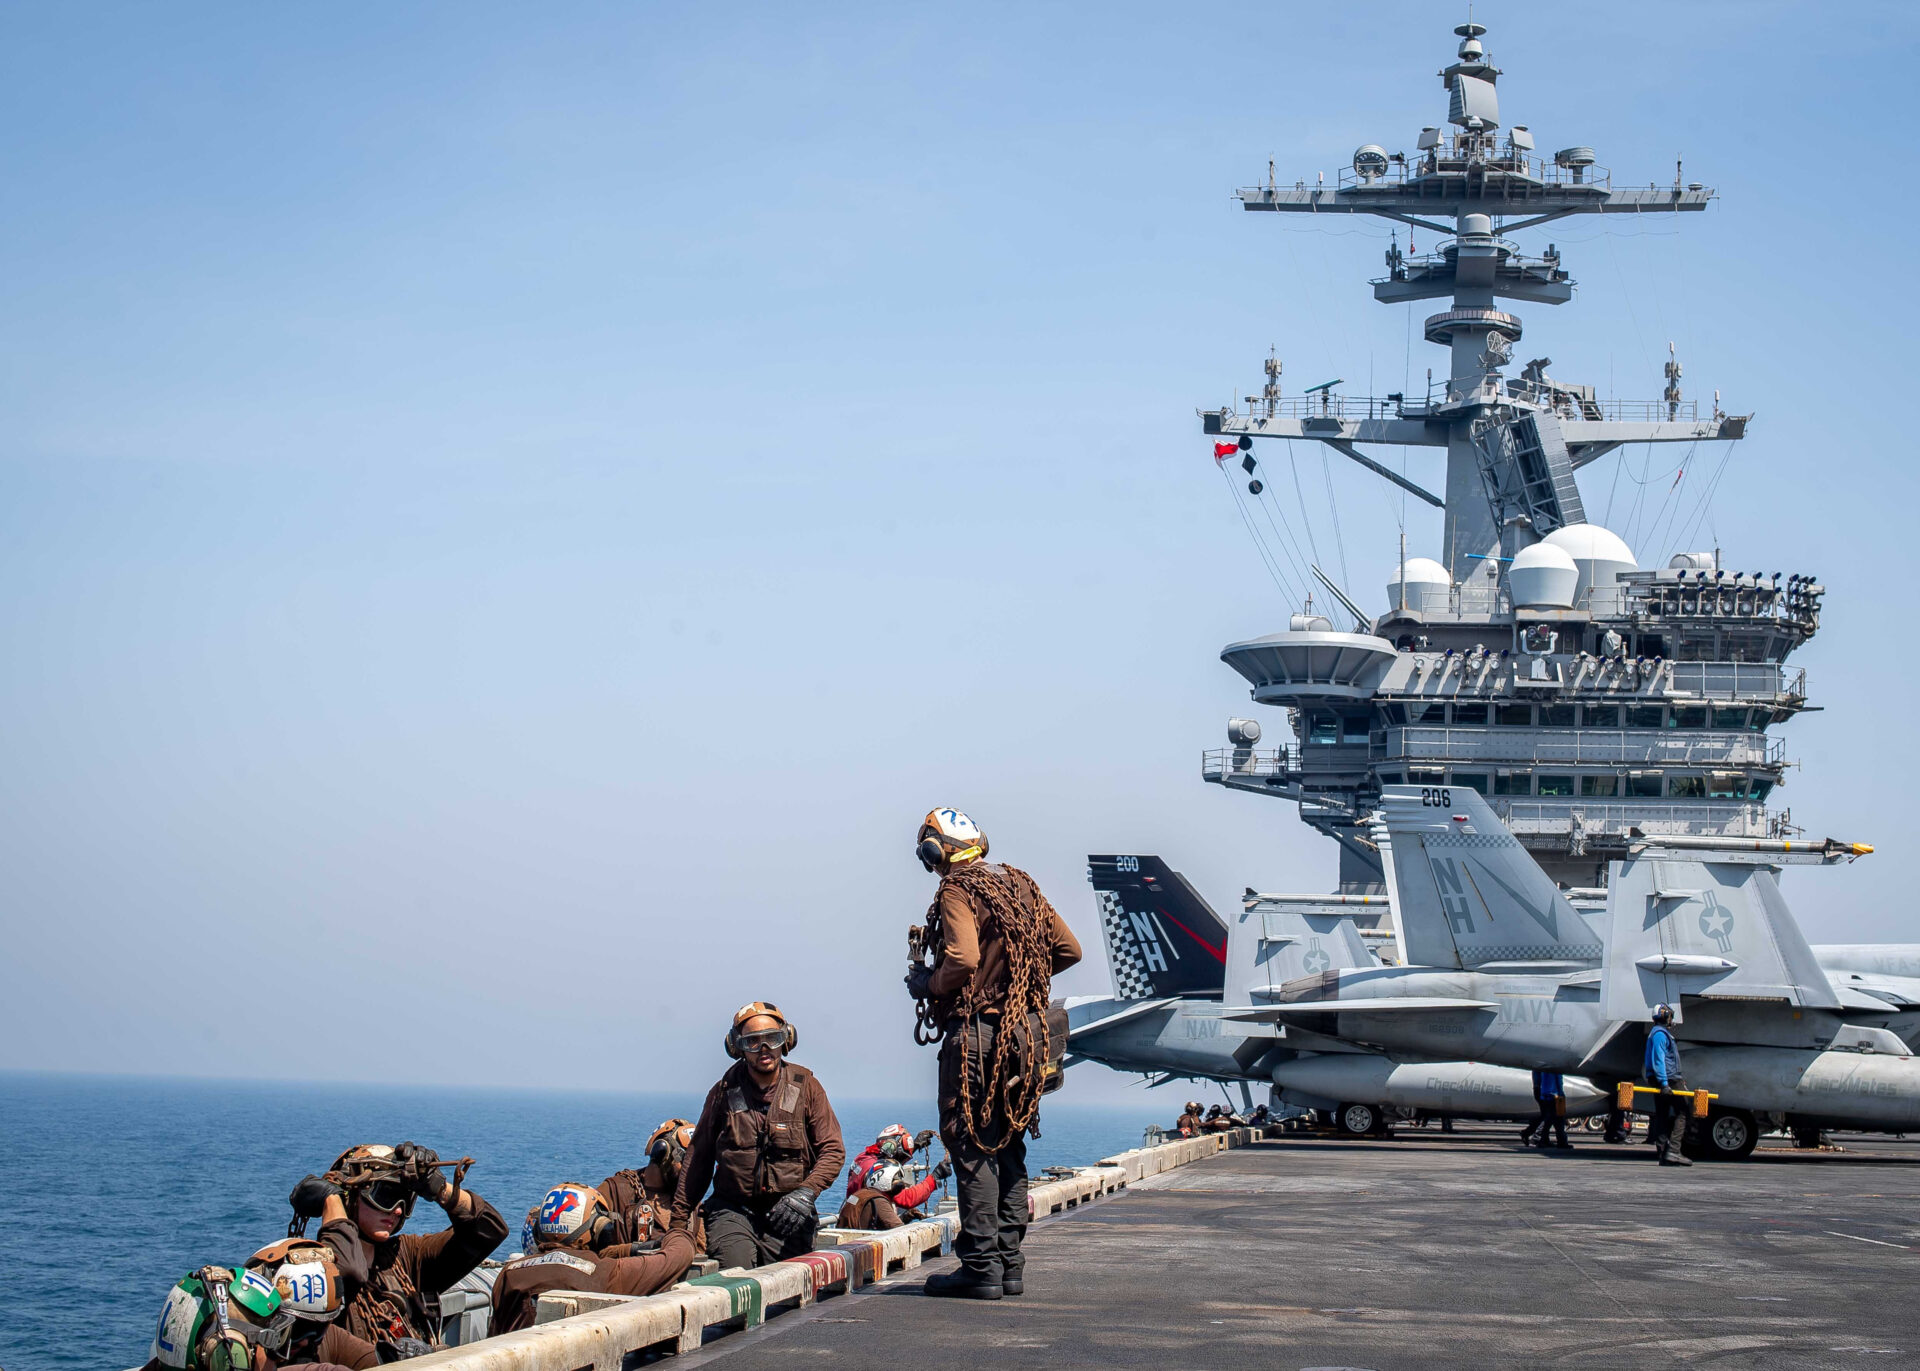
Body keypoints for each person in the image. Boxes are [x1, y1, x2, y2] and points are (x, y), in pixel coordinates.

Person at [905, 807, 1082, 1301]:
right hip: (1025, 1035)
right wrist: (1019, 982)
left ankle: (980, 1266)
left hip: (978, 1038)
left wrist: (931, 983)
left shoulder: (958, 888)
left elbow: (961, 958)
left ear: (935, 851)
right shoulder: (1020, 885)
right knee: (1009, 1143)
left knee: (971, 1145)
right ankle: (1009, 1266)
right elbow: (1069, 950)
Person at [670, 1002, 846, 1272]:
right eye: (753, 1042)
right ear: (737, 1047)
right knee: (737, 1276)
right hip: (733, 1209)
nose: (764, 1049)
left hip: (790, 1211)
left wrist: (805, 1193)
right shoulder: (723, 1093)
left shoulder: (807, 1088)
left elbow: (832, 1150)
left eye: (772, 1040)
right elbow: (699, 1158)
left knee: (787, 1287)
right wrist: (678, 1224)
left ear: (786, 1040)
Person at [289, 1142, 508, 1353]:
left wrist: (439, 1188)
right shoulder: (315, 1270)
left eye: (405, 1199)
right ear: (351, 1195)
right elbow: (349, 1270)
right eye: (386, 1196)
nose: (397, 1210)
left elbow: (489, 1230)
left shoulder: (405, 1256)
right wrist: (333, 1199)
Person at [490, 1184, 697, 1333]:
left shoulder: (509, 1273)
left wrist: (623, 1251)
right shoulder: (605, 1273)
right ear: (599, 1230)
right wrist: (678, 1232)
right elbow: (676, 1257)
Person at [596, 1118, 706, 1254]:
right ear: (662, 1154)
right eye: (686, 1162)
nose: (692, 1171)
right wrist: (642, 1248)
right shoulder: (615, 1191)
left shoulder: (691, 1202)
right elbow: (592, 1256)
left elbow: (701, 1253)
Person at [838, 1125, 951, 1228]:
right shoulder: (876, 1177)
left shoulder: (864, 1158)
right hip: (869, 1224)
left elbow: (887, 1163)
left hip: (857, 1216)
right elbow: (906, 1198)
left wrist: (914, 1146)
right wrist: (934, 1178)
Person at [1644, 1004, 1693, 1166]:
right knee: (1683, 1112)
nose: (1671, 1019)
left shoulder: (1656, 1033)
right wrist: (1665, 1083)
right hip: (1668, 1078)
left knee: (1662, 1114)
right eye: (1670, 1016)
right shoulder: (1660, 1034)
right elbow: (1659, 1059)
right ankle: (1673, 1151)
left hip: (1664, 1078)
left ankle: (1663, 1153)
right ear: (1665, 1017)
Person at [1518, 1069, 1570, 1148]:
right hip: (1551, 1092)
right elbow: (1556, 1079)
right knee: (1551, 1117)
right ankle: (1538, 1137)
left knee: (1549, 1116)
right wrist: (1560, 1093)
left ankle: (1544, 1139)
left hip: (1543, 1090)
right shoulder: (1551, 1065)